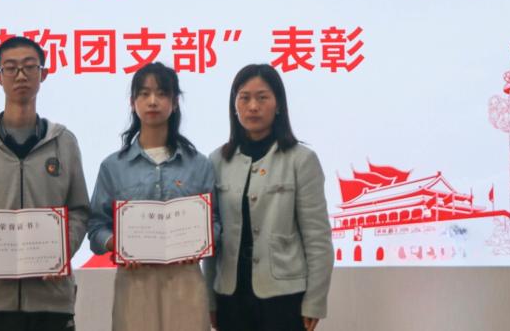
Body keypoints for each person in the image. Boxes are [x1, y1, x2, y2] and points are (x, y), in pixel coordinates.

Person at [0, 36, 90, 331]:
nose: (21, 75)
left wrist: (62, 251)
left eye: (30, 66)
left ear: (44, 74)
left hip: (52, 299)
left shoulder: (64, 142)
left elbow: (79, 210)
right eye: (11, 68)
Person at [88, 62, 218, 331]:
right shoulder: (113, 166)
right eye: (144, 93)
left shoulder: (199, 164)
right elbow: (96, 227)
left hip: (185, 282)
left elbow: (215, 221)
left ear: (175, 102)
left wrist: (201, 243)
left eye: (162, 93)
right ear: (132, 102)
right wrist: (116, 243)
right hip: (135, 284)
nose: (153, 101)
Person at [205, 64, 334, 331]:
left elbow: (317, 237)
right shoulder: (217, 160)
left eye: (262, 97)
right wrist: (209, 299)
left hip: (284, 297)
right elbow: (210, 240)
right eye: (244, 98)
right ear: (234, 105)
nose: (253, 106)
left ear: (278, 105)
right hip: (231, 296)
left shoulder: (301, 160)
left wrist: (315, 300)